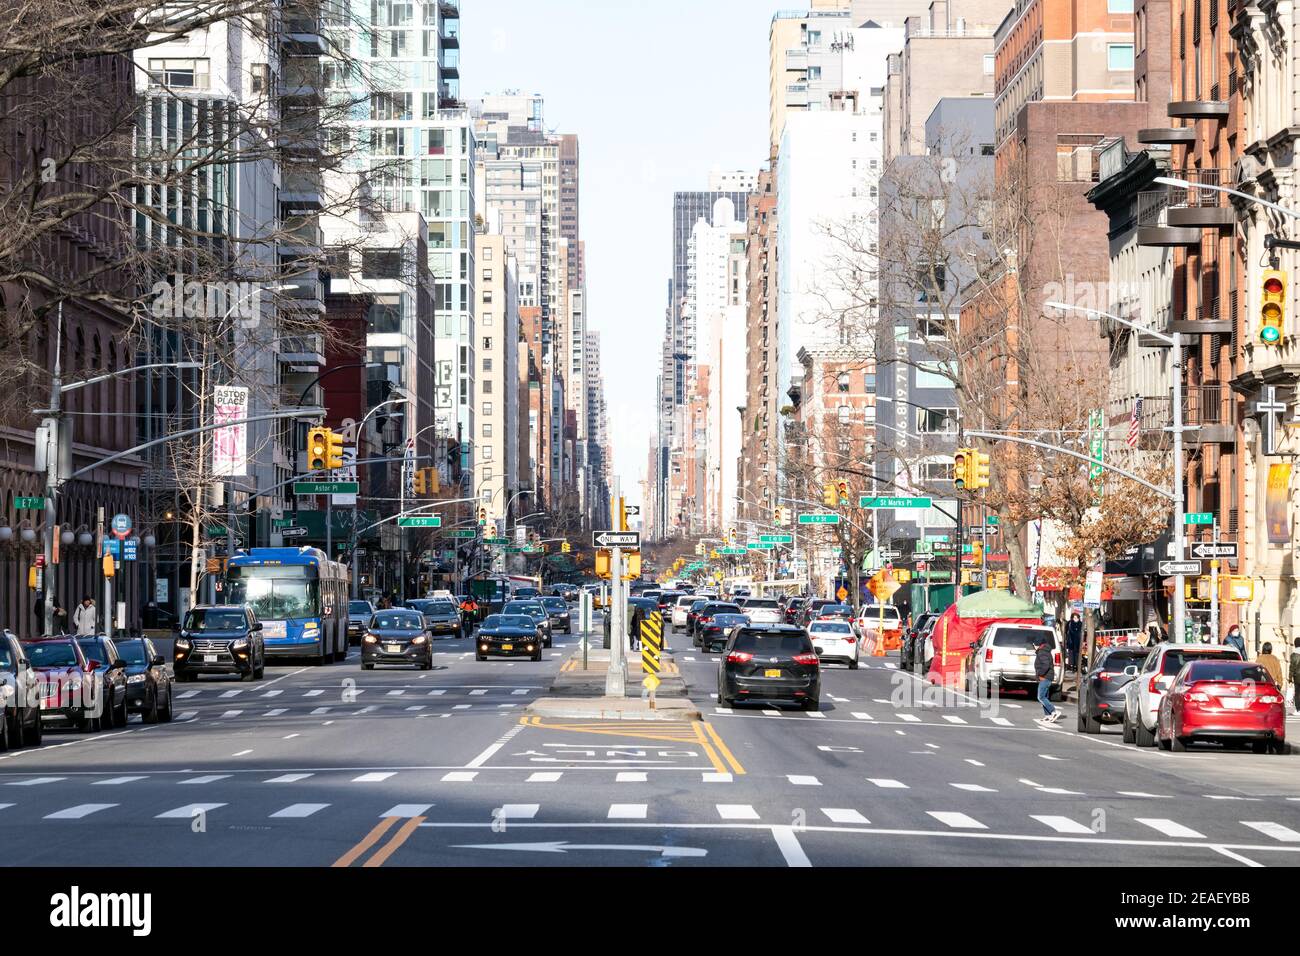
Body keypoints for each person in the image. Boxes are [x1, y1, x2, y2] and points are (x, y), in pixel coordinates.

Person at [1032, 633, 1060, 723]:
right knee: (1045, 697)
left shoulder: (1042, 652)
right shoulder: (1044, 651)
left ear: (1037, 644)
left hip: (1045, 677)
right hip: (1046, 677)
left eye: (1034, 645)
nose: (1033, 646)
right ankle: (1048, 715)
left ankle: (1054, 712)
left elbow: (1046, 665)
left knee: (1041, 697)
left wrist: (1040, 673)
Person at [1290, 639, 1300, 715]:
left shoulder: (1293, 655)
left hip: (1297, 677)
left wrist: (1290, 678)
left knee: (1297, 693)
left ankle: (1298, 709)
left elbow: (1291, 668)